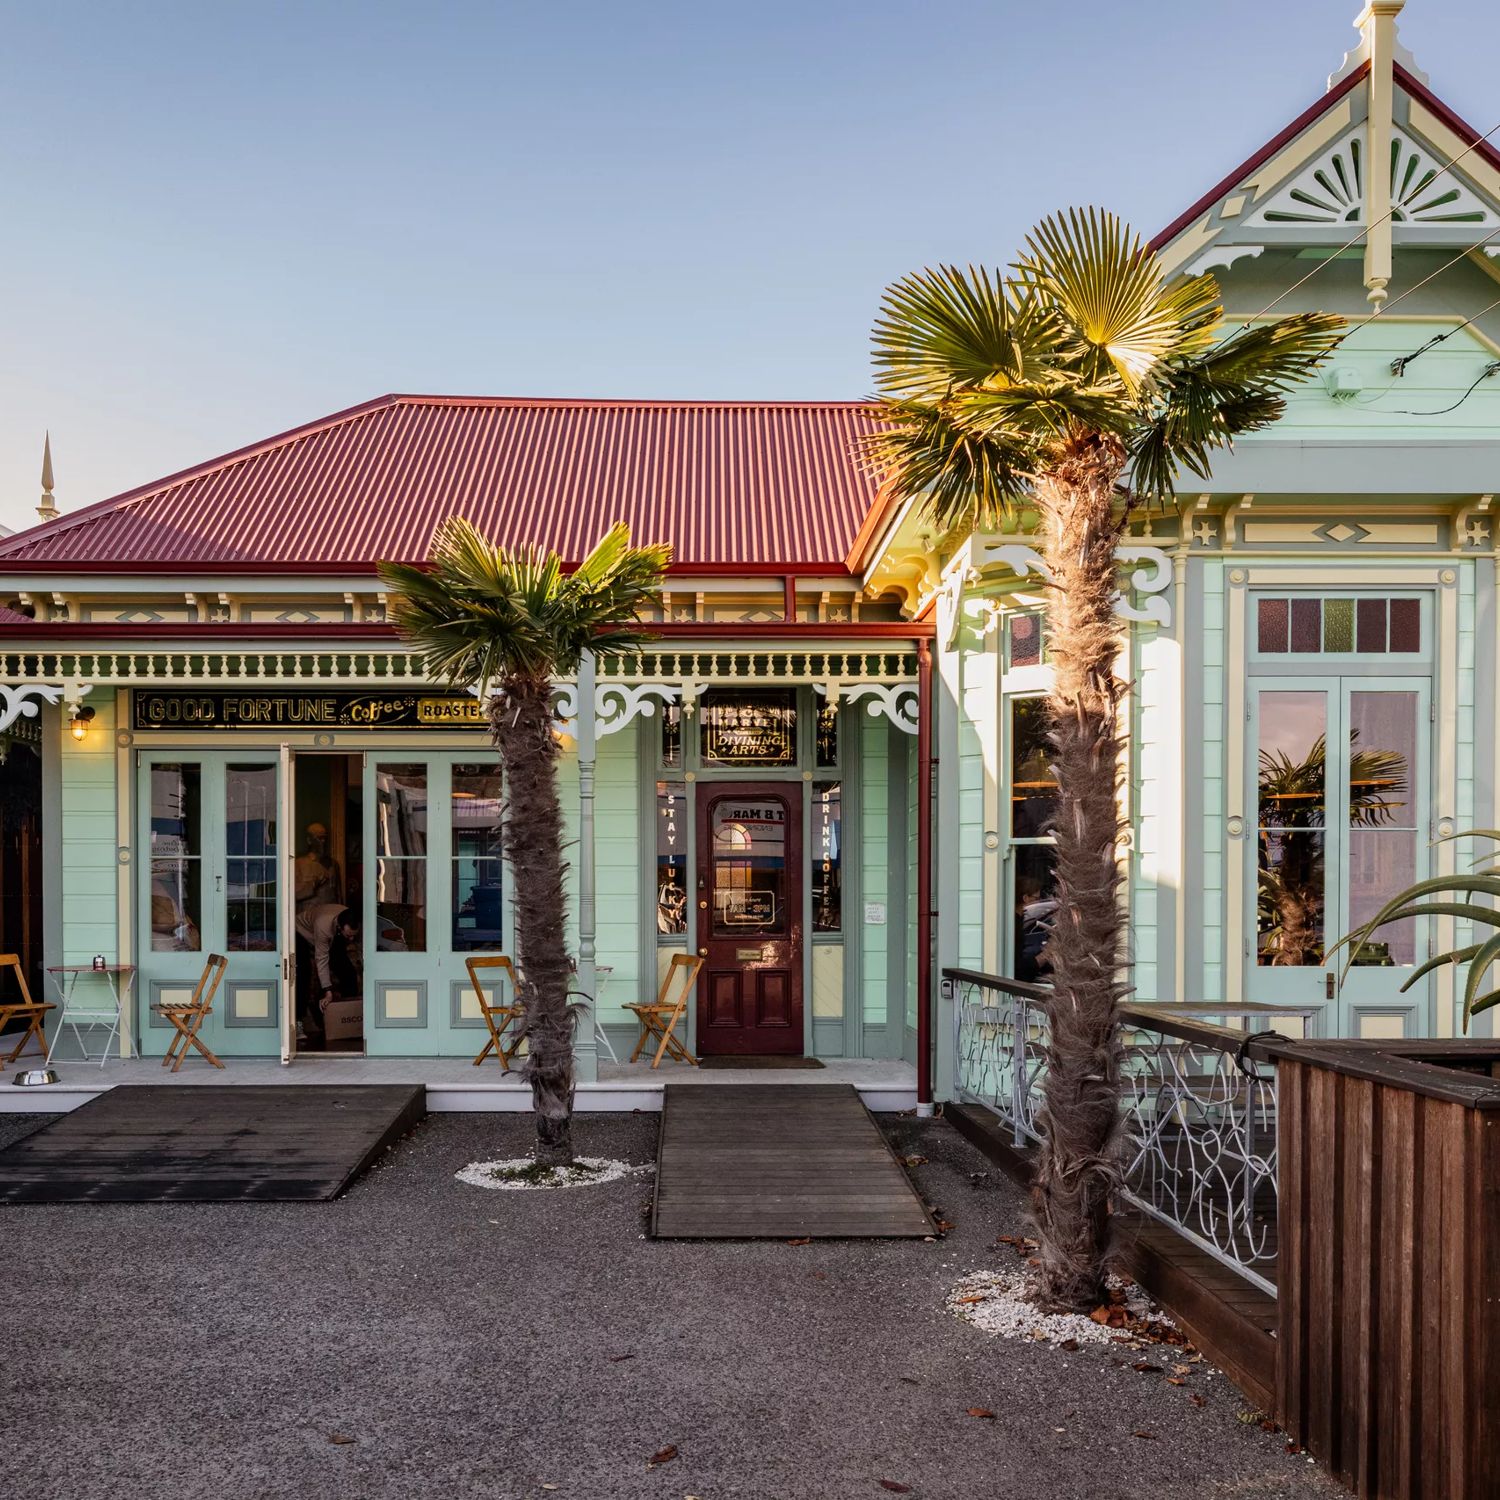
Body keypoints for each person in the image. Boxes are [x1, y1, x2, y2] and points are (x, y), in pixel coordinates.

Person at [294, 903, 360, 1040]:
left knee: (349, 972)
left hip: (333, 935)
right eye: (348, 936)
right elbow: (322, 959)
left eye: (353, 935)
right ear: (339, 927)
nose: (351, 939)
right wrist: (328, 991)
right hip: (301, 932)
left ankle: (348, 1018)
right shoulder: (323, 925)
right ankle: (298, 1021)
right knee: (303, 972)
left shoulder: (350, 921)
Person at [294, 822, 342, 909]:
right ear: (309, 840)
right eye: (319, 838)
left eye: (325, 838)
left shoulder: (333, 864)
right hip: (308, 916)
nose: (323, 841)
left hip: (329, 915)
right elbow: (293, 895)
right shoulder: (299, 864)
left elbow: (338, 895)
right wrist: (314, 883)